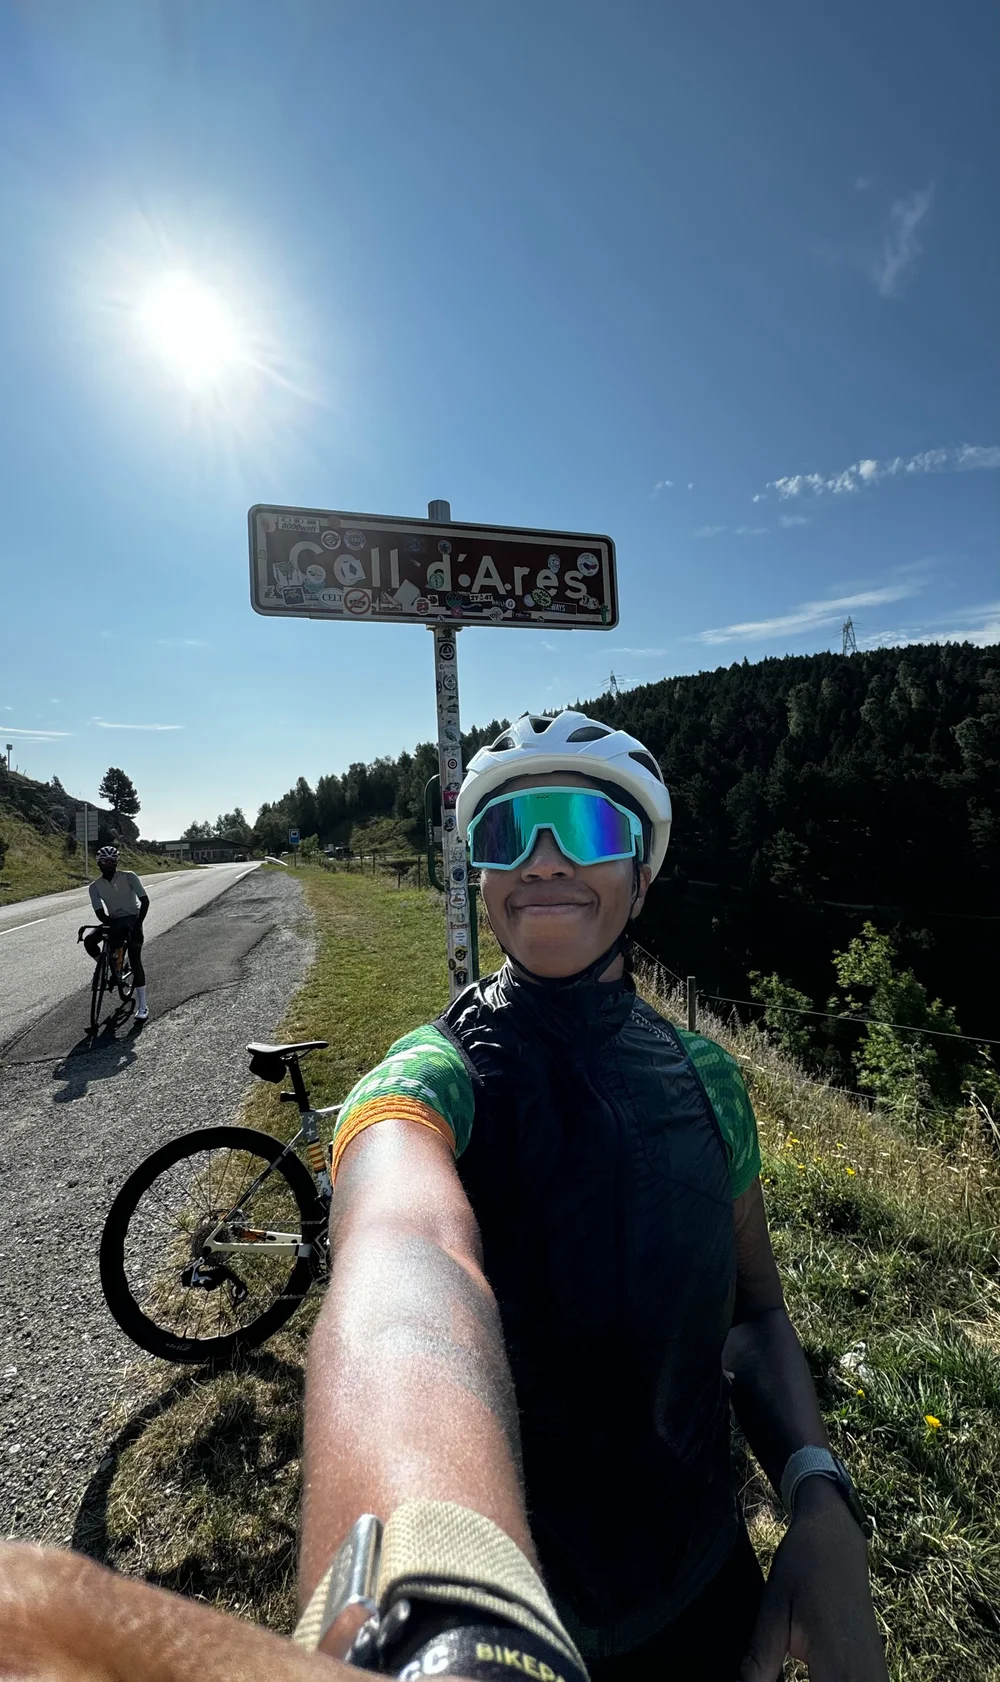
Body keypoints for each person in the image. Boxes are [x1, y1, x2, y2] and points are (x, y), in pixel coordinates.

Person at [300, 711, 888, 1682]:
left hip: (708, 1597)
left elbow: (752, 1313)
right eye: (505, 833)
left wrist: (819, 1496)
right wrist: (440, 1591)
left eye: (584, 826)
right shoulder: (426, 1076)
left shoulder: (710, 1083)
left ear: (641, 875)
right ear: (479, 878)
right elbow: (398, 1276)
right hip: (516, 1621)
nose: (541, 859)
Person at [85, 842, 150, 1022]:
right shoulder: (95, 886)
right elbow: (100, 913)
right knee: (89, 941)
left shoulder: (129, 877)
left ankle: (143, 1005)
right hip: (113, 919)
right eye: (105, 862)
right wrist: (110, 924)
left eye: (112, 861)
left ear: (116, 862)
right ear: (99, 864)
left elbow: (145, 901)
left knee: (135, 957)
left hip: (132, 918)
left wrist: (138, 924)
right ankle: (106, 965)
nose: (109, 864)